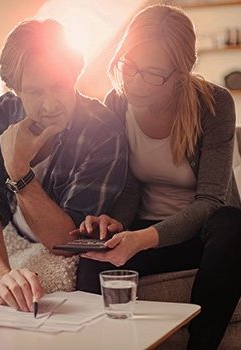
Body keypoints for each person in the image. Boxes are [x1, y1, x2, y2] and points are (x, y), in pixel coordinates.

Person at [73, 5, 241, 350]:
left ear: (181, 74)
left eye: (152, 73)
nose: (135, 81)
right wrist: (117, 224)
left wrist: (141, 239)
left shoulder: (215, 104)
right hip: (144, 228)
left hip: (204, 239)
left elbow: (210, 201)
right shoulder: (118, 103)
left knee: (233, 225)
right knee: (92, 259)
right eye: (130, 66)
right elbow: (131, 184)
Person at [0, 19, 127, 313]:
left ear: (74, 75)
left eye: (59, 86)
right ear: (14, 90)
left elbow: (63, 241)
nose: (50, 105)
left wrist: (18, 167)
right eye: (35, 92)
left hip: (51, 235)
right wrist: (1, 279)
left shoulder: (103, 131)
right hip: (10, 228)